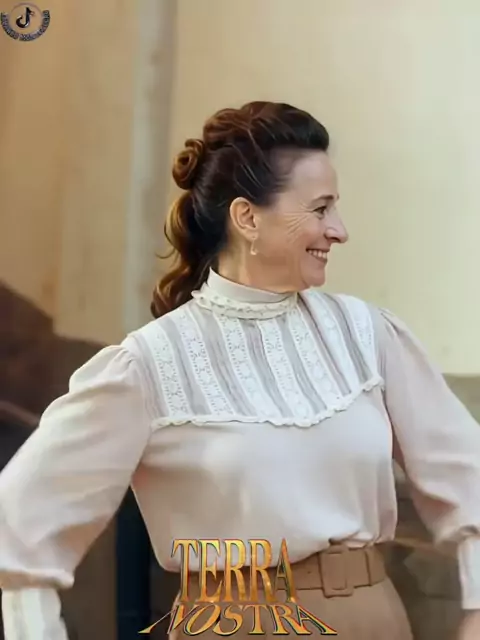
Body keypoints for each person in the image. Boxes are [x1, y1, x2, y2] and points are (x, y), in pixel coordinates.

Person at [1, 101, 480, 640]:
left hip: (373, 619)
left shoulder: (368, 335)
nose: (339, 230)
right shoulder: (148, 364)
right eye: (320, 209)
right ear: (248, 218)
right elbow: (18, 525)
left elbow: (468, 473)